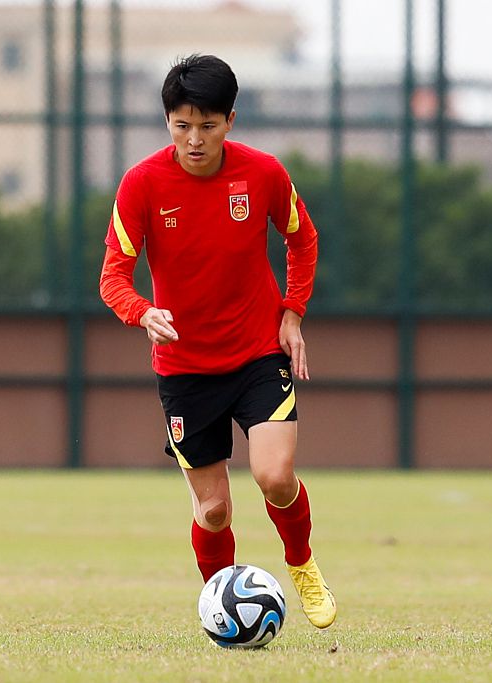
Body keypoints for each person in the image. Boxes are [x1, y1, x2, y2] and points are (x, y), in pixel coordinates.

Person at [98, 54, 336, 629]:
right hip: (183, 368)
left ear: (230, 120)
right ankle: (224, 611)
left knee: (276, 477)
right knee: (213, 509)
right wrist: (142, 311)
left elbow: (302, 241)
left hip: (257, 354)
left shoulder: (264, 174)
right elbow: (112, 276)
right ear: (167, 124)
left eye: (207, 126)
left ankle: (302, 565)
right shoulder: (142, 184)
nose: (194, 139)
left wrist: (292, 312)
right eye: (182, 126)